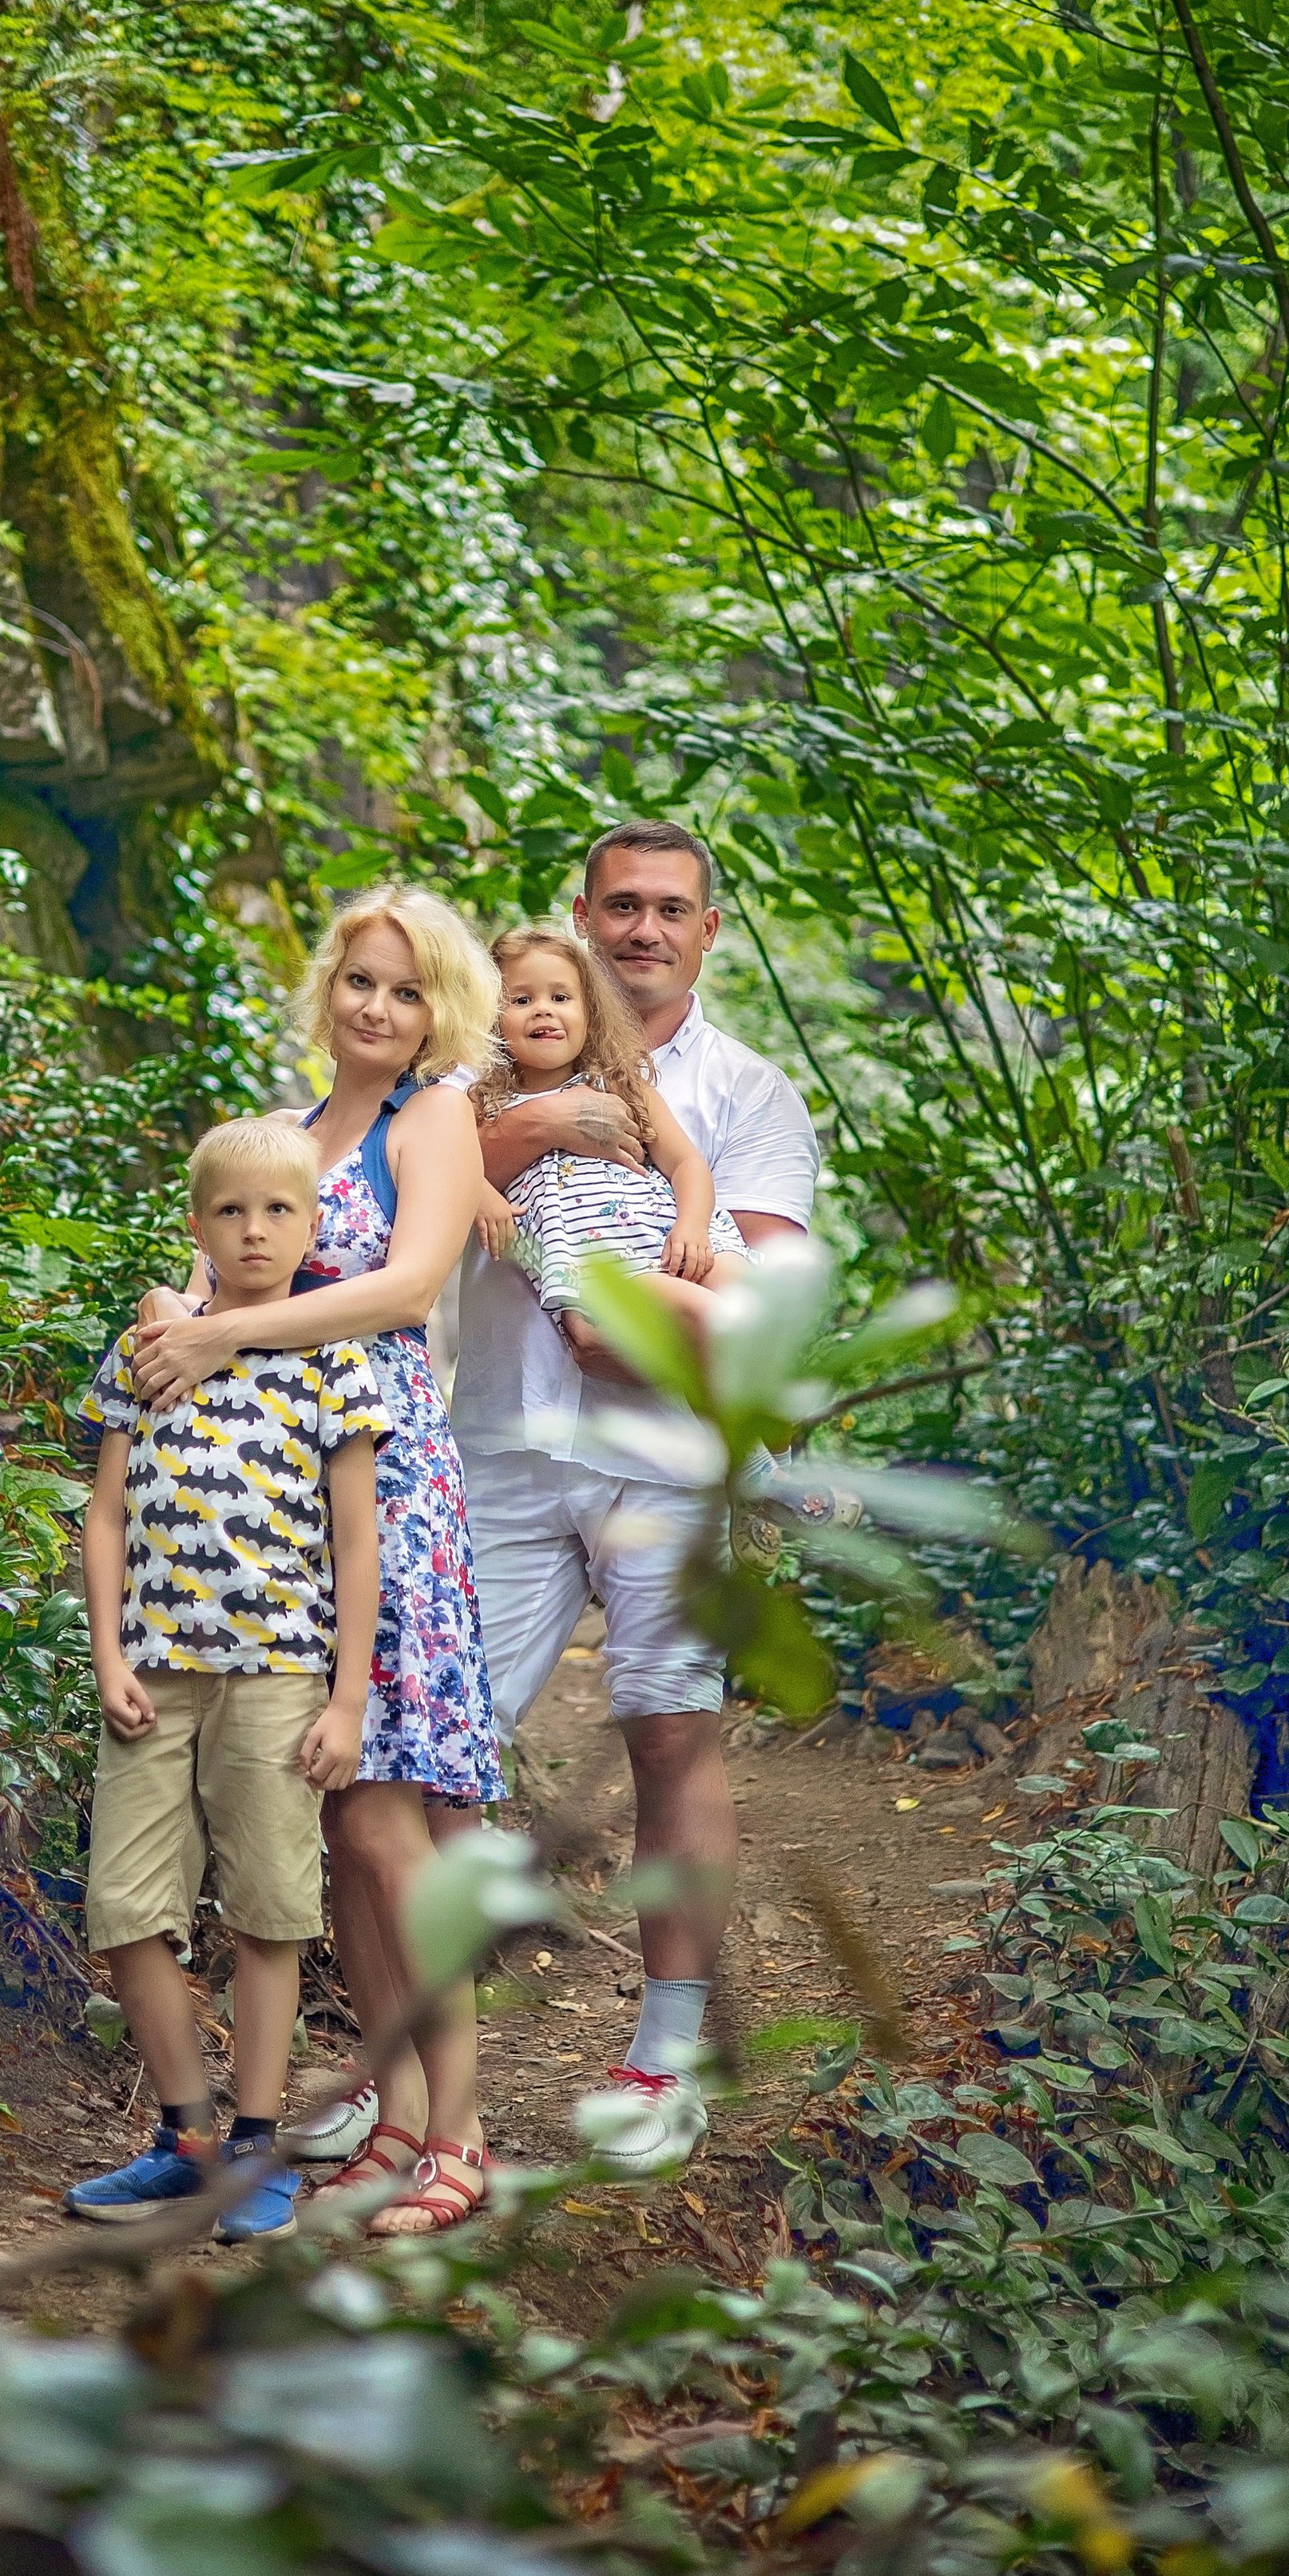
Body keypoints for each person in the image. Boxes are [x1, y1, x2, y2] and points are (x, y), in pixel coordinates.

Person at [129, 888, 505, 2238]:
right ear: (327, 988)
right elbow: (208, 1278)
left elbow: (408, 1288)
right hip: (266, 1510)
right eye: (361, 982)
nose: (379, 1010)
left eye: (407, 992)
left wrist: (236, 1336)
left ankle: (463, 2135)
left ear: (436, 1011)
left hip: (386, 1482)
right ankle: (396, 2115)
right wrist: (176, 1315)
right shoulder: (282, 1137)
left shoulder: (437, 1115)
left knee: (397, 1825)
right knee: (334, 1817)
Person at [449, 820, 820, 2177]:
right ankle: (418, 2082)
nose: (643, 929)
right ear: (583, 919)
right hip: (496, 1443)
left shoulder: (743, 1093)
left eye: (672, 909)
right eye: (621, 906)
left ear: (709, 930)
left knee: (672, 1738)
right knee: (433, 1752)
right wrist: (532, 1127)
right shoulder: (489, 1059)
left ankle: (665, 2053)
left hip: (666, 1463)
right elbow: (389, 1205)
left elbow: (767, 1300)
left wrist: (646, 1303)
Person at [64, 1116, 387, 2243]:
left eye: (280, 1211)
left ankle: (256, 2147)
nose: (256, 1231)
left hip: (281, 1677)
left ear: (311, 1230)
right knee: (125, 1910)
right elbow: (105, 1517)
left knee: (268, 1913)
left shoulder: (333, 1363)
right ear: (198, 1228)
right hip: (154, 1675)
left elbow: (357, 1544)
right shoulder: (145, 1353)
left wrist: (347, 1700)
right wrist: (109, 1655)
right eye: (232, 1212)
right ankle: (186, 2136)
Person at [473, 924, 751, 1353]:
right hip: (606, 1267)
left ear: (590, 1012)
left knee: (751, 1308)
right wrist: (480, 1194)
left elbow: (686, 1164)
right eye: (522, 1000)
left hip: (677, 1233)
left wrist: (692, 1225)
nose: (543, 1011)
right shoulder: (481, 1103)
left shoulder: (621, 1084)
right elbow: (441, 1171)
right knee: (714, 1323)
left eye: (561, 998)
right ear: (490, 1016)